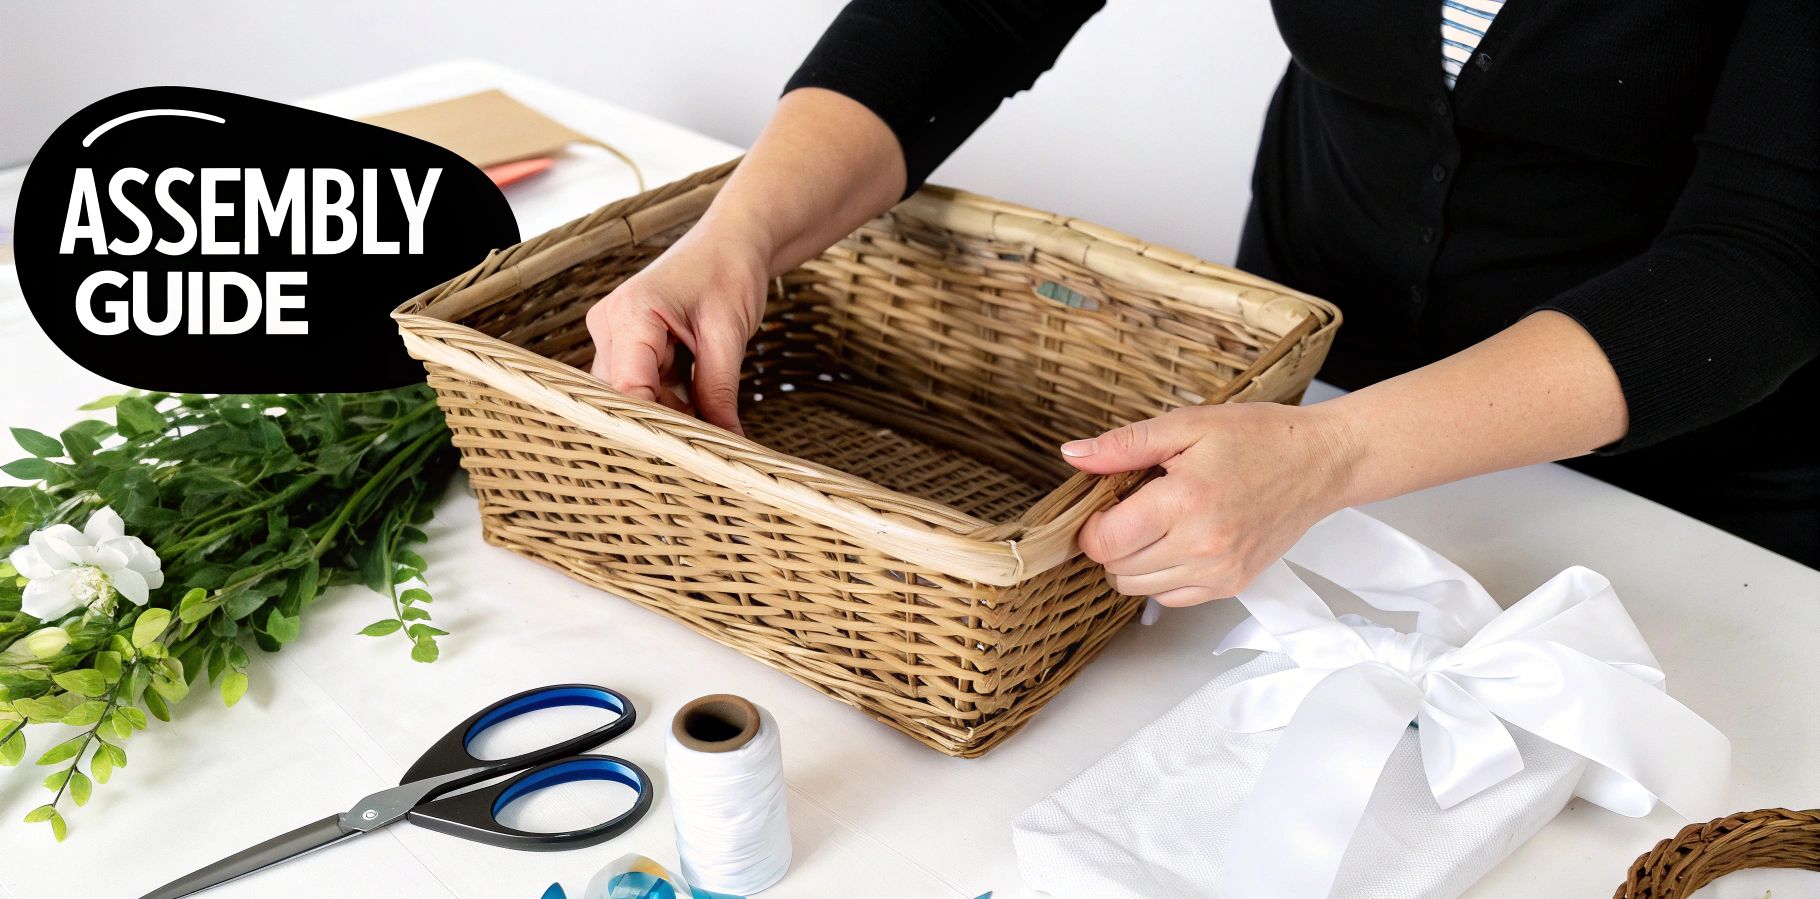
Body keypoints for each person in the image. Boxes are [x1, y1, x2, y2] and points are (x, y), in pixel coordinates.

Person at [586, 0, 1820, 605]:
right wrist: (737, 239)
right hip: (1295, 394)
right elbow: (962, 17)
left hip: (1677, 482)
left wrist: (1333, 455)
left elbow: (1761, 259)